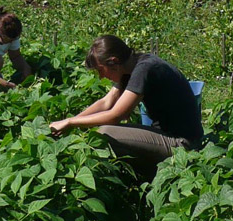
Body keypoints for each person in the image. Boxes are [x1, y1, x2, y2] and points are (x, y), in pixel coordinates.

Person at [49, 35, 204, 176]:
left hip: (183, 143)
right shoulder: (132, 66)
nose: (101, 77)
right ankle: (141, 175)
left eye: (101, 71)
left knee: (104, 133)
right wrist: (72, 121)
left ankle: (144, 176)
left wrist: (71, 122)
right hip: (168, 135)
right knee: (104, 131)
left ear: (114, 62)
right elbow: (106, 102)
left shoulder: (145, 69)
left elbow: (116, 115)